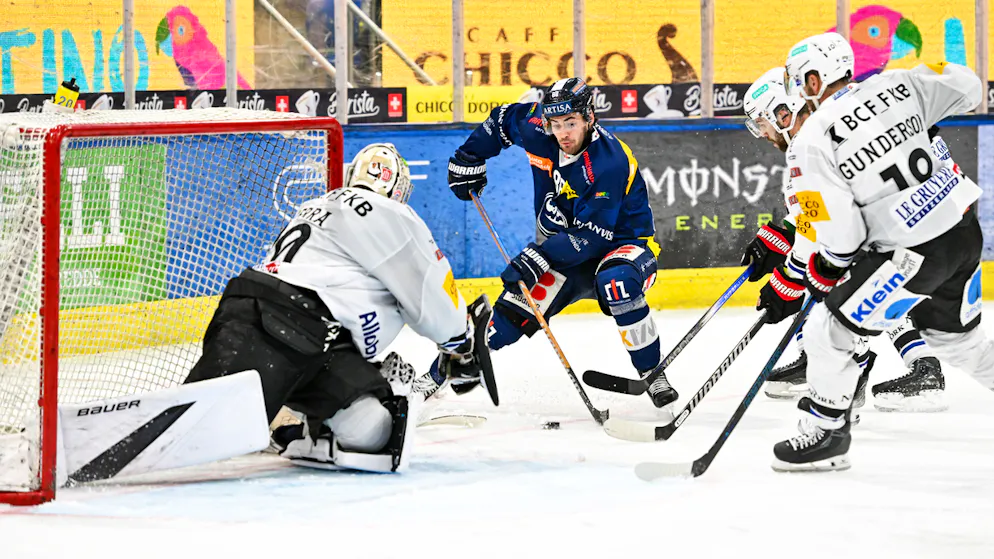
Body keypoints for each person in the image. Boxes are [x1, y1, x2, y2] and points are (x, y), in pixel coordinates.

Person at [184, 143, 494, 472]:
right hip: (292, 325)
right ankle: (248, 416)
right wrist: (460, 344)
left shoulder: (316, 204)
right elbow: (430, 294)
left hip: (294, 330)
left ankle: (287, 427)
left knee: (376, 434)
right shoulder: (393, 214)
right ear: (399, 187)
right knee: (207, 425)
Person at [772, 32, 994, 472]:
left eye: (801, 83)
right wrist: (919, 114)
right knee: (959, 341)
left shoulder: (811, 138)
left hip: (912, 251)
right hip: (964, 233)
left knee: (827, 329)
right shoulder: (899, 83)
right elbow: (969, 85)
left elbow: (843, 233)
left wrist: (825, 268)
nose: (800, 94)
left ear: (815, 81)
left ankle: (827, 432)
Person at [417, 77, 675, 410]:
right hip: (566, 247)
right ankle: (432, 379)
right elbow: (502, 120)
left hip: (622, 245)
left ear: (589, 118)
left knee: (617, 283)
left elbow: (595, 237)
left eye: (571, 123)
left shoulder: (609, 161)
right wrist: (469, 157)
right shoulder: (538, 127)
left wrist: (538, 256)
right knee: (507, 318)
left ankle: (653, 372)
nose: (563, 133)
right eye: (556, 124)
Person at [742, 68, 949, 413]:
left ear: (783, 113)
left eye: (762, 123)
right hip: (934, 222)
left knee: (840, 277)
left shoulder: (811, 147)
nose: (762, 134)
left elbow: (825, 225)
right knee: (844, 273)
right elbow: (830, 210)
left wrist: (788, 279)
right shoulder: (842, 115)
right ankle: (839, 361)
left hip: (918, 230)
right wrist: (787, 233)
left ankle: (868, 368)